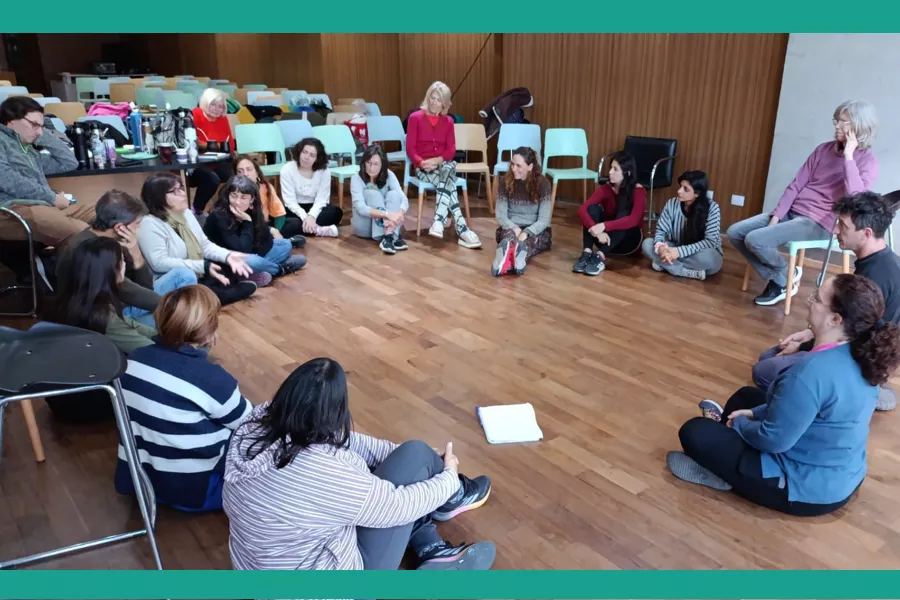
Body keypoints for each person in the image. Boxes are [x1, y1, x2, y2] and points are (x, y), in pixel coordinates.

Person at [223, 358, 497, 571]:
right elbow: (396, 506)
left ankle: (431, 547)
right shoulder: (321, 471)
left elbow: (348, 442)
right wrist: (446, 476)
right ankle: (452, 496)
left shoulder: (252, 426)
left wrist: (397, 453)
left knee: (411, 458)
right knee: (413, 468)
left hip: (259, 569)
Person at [668, 274, 900, 516]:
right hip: (842, 472)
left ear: (835, 319)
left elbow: (773, 440)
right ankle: (727, 450)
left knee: (695, 431)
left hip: (807, 488)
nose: (810, 301)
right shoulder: (861, 353)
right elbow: (803, 409)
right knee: (746, 397)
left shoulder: (809, 374)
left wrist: (741, 424)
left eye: (817, 299)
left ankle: (725, 472)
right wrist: (752, 413)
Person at [753, 192, 900, 410]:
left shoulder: (876, 275)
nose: (835, 230)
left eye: (843, 225)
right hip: (856, 343)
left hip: (862, 357)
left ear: (866, 233)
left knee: (764, 372)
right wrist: (810, 333)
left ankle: (858, 390)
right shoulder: (880, 260)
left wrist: (806, 346)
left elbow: (853, 334)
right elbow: (847, 320)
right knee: (770, 357)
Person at [727, 100, 879, 307]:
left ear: (859, 126)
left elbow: (855, 198)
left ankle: (782, 278)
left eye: (844, 122)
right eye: (836, 120)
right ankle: (784, 276)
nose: (837, 126)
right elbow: (796, 184)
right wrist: (777, 216)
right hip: (793, 211)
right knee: (736, 232)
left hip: (819, 222)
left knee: (755, 239)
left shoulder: (867, 161)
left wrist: (849, 157)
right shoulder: (822, 150)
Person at [115, 285, 252, 512]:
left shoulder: (135, 359)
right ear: (209, 331)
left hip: (141, 482)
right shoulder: (211, 379)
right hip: (193, 491)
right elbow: (251, 424)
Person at [56, 189, 196, 328]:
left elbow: (145, 286)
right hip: (109, 315)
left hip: (124, 301)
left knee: (184, 274)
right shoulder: (92, 249)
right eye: (137, 224)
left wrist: (135, 252)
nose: (139, 228)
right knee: (182, 326)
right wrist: (176, 309)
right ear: (119, 227)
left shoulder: (114, 239)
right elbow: (128, 290)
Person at [137, 172, 260, 304]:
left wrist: (228, 256)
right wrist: (202, 266)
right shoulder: (149, 224)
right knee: (186, 274)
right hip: (169, 280)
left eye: (181, 188)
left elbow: (205, 245)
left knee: (224, 264)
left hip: (195, 271)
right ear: (159, 198)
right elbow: (159, 263)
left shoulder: (186, 213)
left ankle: (212, 295)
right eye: (175, 191)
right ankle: (214, 296)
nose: (183, 194)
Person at [46, 236, 155, 355]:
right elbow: (149, 352)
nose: (124, 265)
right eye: (122, 261)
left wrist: (163, 336)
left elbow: (131, 325)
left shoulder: (76, 299)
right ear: (112, 270)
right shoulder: (104, 317)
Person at [405, 81, 482, 249]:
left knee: (448, 166)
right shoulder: (415, 118)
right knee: (449, 182)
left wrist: (437, 160)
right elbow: (410, 147)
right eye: (432, 98)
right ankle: (461, 228)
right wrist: (422, 162)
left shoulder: (448, 121)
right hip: (423, 167)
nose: (434, 102)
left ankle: (439, 221)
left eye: (438, 100)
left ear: (445, 103)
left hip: (442, 165)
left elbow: (451, 150)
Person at [0, 96, 82, 247]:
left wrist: (43, 135)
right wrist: (51, 198)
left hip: (45, 206)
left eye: (41, 126)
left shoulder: (29, 151)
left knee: (112, 215)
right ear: (12, 122)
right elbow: (5, 178)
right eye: (34, 125)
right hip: (11, 210)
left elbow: (69, 163)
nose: (39, 132)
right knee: (84, 235)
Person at [204, 176, 307, 278]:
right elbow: (242, 250)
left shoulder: (252, 210)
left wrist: (256, 253)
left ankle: (256, 272)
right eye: (234, 196)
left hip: (248, 252)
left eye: (243, 197)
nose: (237, 202)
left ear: (252, 199)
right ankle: (281, 269)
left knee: (284, 244)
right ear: (228, 196)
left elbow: (266, 240)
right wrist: (247, 222)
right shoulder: (218, 216)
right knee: (251, 261)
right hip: (225, 262)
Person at [641, 170, 723, 281]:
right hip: (676, 246)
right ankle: (685, 272)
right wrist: (660, 248)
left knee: (710, 260)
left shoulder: (713, 208)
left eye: (686, 189)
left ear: (697, 194)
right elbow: (660, 230)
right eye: (680, 186)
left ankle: (665, 265)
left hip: (700, 252)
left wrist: (679, 252)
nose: (679, 191)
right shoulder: (672, 203)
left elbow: (710, 242)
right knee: (647, 244)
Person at [574, 152, 645, 276]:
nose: (610, 172)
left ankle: (600, 257)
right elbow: (582, 209)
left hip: (630, 243)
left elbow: (633, 220)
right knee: (592, 209)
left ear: (627, 173)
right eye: (611, 168)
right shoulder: (606, 188)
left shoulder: (638, 190)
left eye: (615, 169)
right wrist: (596, 229)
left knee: (624, 216)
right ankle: (587, 252)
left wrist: (604, 226)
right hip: (604, 239)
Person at [491, 146, 551, 277]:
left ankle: (511, 260)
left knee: (527, 242)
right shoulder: (504, 181)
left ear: (530, 167)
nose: (513, 169)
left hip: (535, 229)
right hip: (512, 226)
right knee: (508, 238)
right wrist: (513, 227)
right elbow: (500, 215)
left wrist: (526, 232)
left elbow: (544, 220)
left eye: (519, 166)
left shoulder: (544, 183)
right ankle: (511, 258)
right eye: (512, 164)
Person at [232, 154, 306, 246]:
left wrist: (276, 231)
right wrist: (270, 231)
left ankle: (277, 241)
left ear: (257, 172)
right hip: (247, 227)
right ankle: (287, 242)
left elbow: (279, 214)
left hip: (266, 225)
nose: (245, 174)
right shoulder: (234, 193)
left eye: (249, 169)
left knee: (295, 223)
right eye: (240, 171)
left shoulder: (266, 187)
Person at [350, 145, 409, 254]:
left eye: (376, 164)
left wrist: (399, 213)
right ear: (364, 162)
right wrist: (388, 214)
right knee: (373, 194)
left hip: (386, 225)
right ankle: (388, 235)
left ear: (383, 165)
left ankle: (389, 236)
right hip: (364, 225)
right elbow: (361, 209)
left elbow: (404, 199)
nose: (371, 167)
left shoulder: (389, 175)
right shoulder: (356, 178)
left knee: (394, 194)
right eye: (368, 163)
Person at [279, 137, 343, 237]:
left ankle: (308, 229)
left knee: (336, 212)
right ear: (299, 151)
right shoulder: (287, 169)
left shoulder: (324, 171)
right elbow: (290, 201)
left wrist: (312, 216)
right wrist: (305, 218)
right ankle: (319, 230)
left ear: (317, 158)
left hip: (316, 207)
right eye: (304, 152)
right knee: (290, 224)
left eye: (312, 155)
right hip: (295, 209)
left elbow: (322, 199)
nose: (306, 157)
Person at [190, 88, 235, 213]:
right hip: (197, 163)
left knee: (234, 179)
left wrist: (213, 146)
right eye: (213, 105)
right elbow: (192, 142)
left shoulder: (222, 118)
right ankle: (197, 210)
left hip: (219, 161)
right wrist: (215, 146)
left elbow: (230, 144)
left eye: (221, 106)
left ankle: (220, 209)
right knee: (211, 180)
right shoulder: (194, 115)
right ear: (205, 102)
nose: (217, 109)